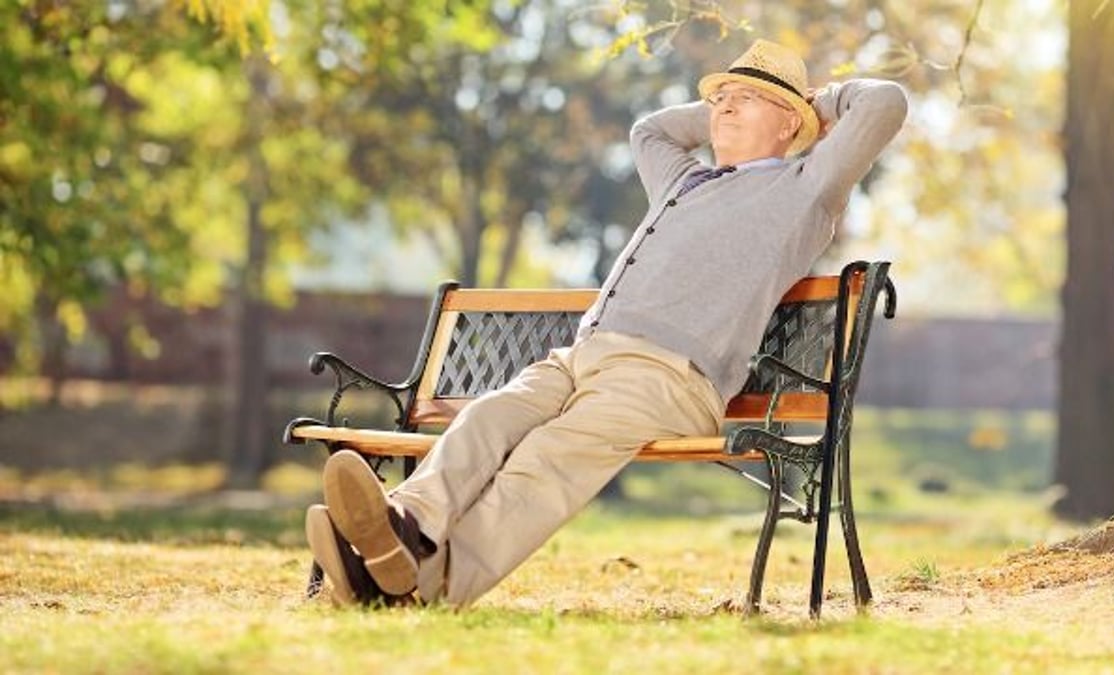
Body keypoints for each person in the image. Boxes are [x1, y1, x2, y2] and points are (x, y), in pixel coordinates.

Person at [305, 39, 907, 608]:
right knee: (490, 416)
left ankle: (423, 585)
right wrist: (729, 106)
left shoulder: (802, 190)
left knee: (547, 457)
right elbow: (650, 129)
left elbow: (885, 103)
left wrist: (816, 108)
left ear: (787, 124)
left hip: (667, 377)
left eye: (746, 98)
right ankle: (406, 527)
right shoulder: (684, 180)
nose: (724, 105)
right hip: (581, 356)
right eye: (720, 96)